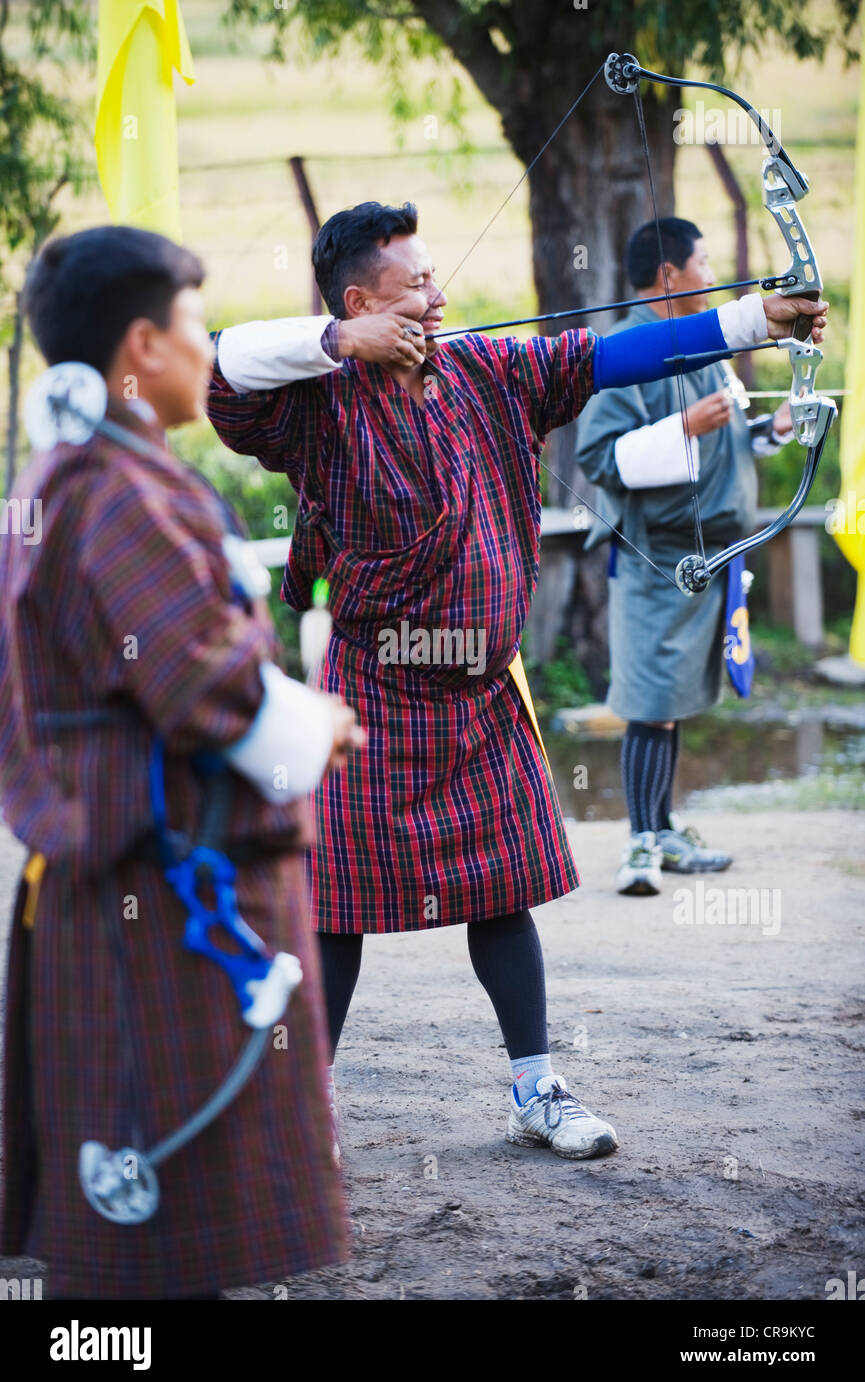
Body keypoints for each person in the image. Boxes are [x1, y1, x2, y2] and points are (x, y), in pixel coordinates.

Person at [207, 200, 826, 1159]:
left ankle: (536, 1088)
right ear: (363, 301)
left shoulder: (487, 370)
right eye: (416, 285)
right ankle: (302, 1107)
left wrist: (754, 322)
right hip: (375, 691)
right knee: (336, 909)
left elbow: (613, 357)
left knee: (502, 895)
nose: (440, 295)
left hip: (482, 688)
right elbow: (220, 362)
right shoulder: (309, 406)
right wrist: (339, 341)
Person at [0, 225, 364, 1299]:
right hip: (161, 885)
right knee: (156, 1224)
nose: (211, 354)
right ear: (141, 346)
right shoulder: (115, 492)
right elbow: (202, 685)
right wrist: (318, 727)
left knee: (142, 1217)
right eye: (196, 329)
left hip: (132, 873)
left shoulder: (74, 472)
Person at [576, 218, 801, 896]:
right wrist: (680, 425)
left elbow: (719, 444)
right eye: (703, 261)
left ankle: (663, 828)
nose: (713, 272)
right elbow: (597, 457)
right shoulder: (628, 347)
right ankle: (642, 844)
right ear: (669, 274)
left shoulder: (703, 342)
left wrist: (772, 430)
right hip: (655, 557)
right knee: (650, 701)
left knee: (668, 701)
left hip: (702, 557)